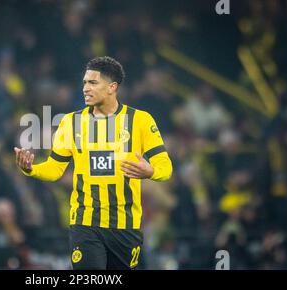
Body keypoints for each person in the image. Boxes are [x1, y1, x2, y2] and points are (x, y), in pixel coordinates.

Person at [14, 56, 173, 270]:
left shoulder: (141, 121)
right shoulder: (71, 123)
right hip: (85, 222)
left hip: (125, 225)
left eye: (93, 83)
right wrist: (31, 169)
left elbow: (166, 167)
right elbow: (55, 168)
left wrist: (151, 170)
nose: (85, 88)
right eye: (84, 83)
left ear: (111, 87)